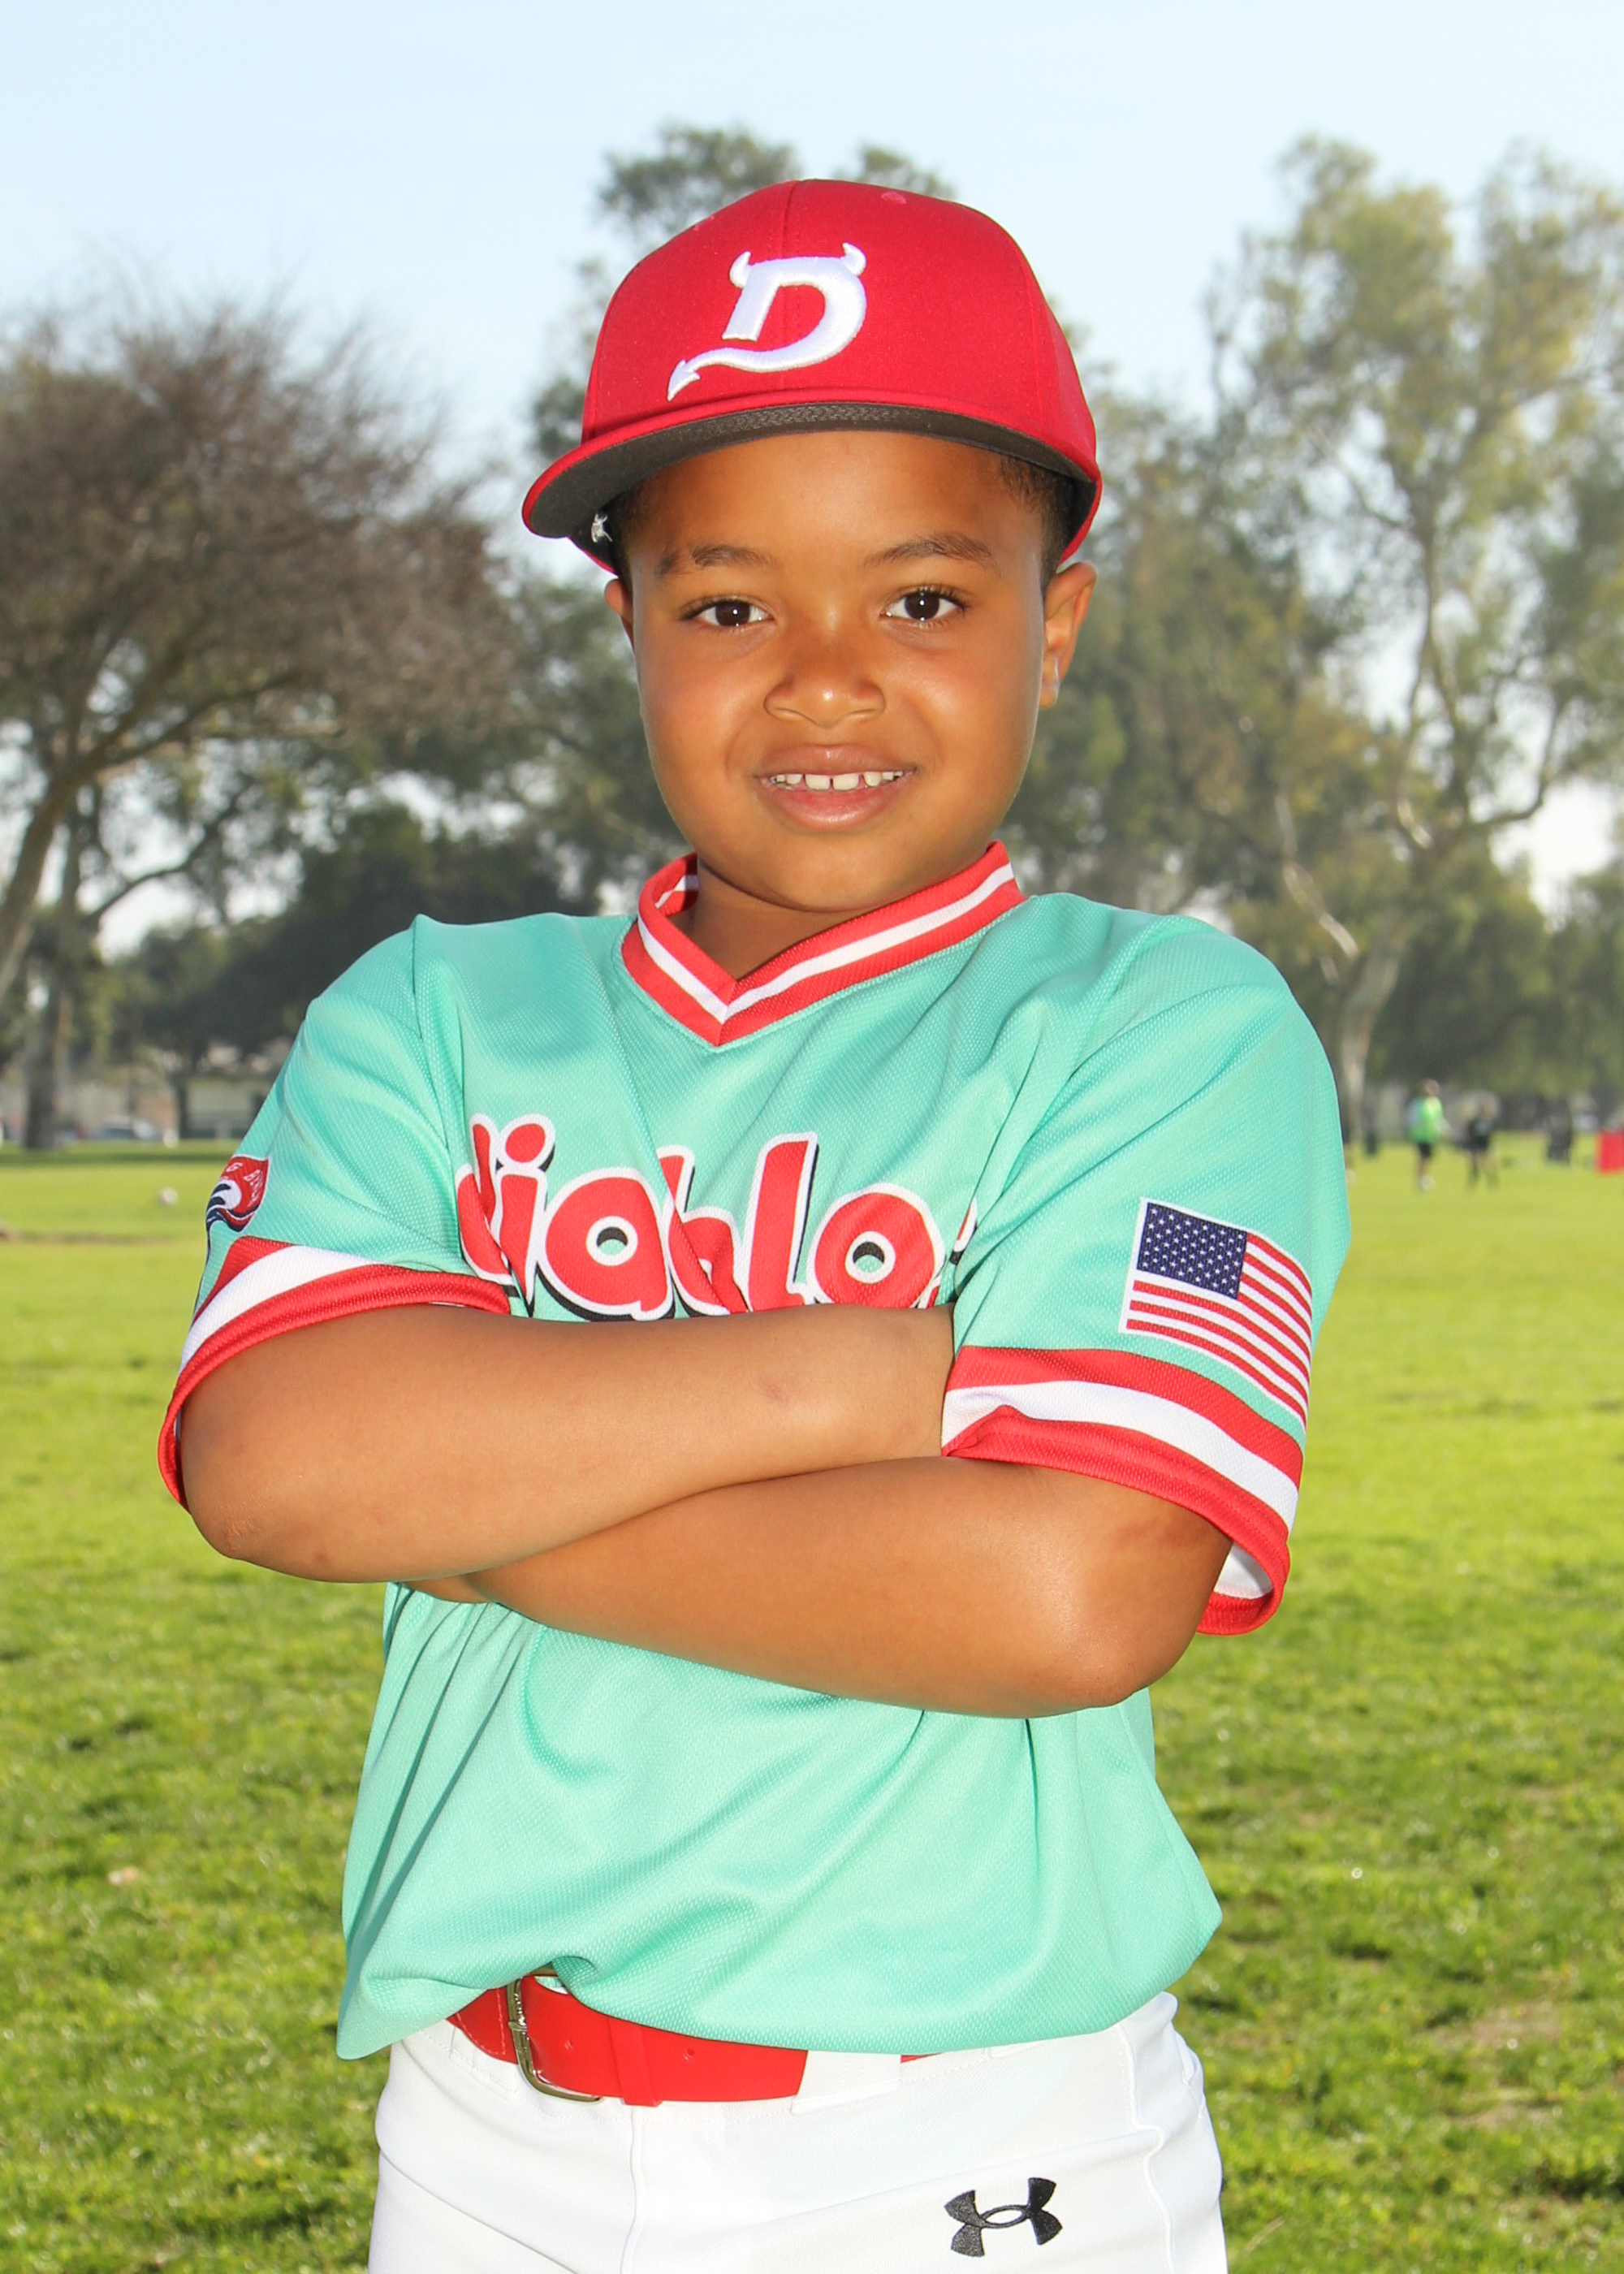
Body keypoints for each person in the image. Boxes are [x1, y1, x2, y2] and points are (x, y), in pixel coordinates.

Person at [159, 181, 1350, 2273]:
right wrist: (847, 1381)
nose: (822, 683)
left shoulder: (1157, 1018)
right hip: (481, 2132)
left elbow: (1069, 1587)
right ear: (624, 618)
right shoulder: (436, 1011)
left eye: (921, 598)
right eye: (725, 606)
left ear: (1055, 619)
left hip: (959, 2140)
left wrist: (460, 1495)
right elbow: (275, 1458)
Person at [1407, 1079, 1447, 1190]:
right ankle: (1421, 1179)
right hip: (1420, 1135)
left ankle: (1424, 1177)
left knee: (1428, 1158)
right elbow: (1412, 1119)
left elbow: (1439, 1119)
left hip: (1432, 1135)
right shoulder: (1417, 1103)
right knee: (1422, 1157)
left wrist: (1444, 1131)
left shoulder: (1436, 1104)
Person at [1462, 1096, 1498, 1187]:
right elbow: (1469, 1131)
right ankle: (1473, 1181)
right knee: (1475, 1165)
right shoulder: (1475, 1120)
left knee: (1488, 1164)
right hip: (1476, 1144)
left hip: (1486, 1144)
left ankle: (1492, 1180)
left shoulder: (1489, 1120)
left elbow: (1492, 1132)